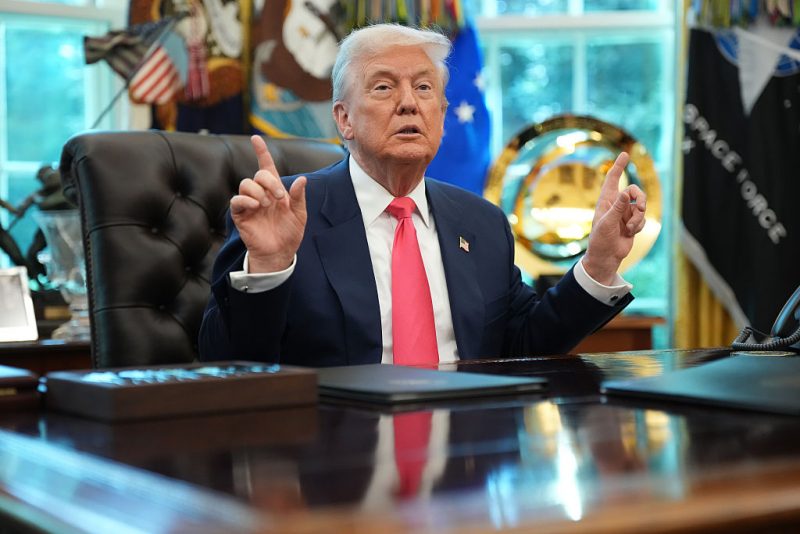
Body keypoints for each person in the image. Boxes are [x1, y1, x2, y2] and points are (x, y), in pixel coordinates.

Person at [198, 24, 647, 366]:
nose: (409, 102)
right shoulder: (288, 214)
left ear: (442, 115)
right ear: (344, 120)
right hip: (335, 462)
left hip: (464, 460)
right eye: (384, 86)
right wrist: (270, 269)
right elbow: (225, 363)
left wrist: (599, 264)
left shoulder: (482, 224)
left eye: (424, 88)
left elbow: (526, 345)